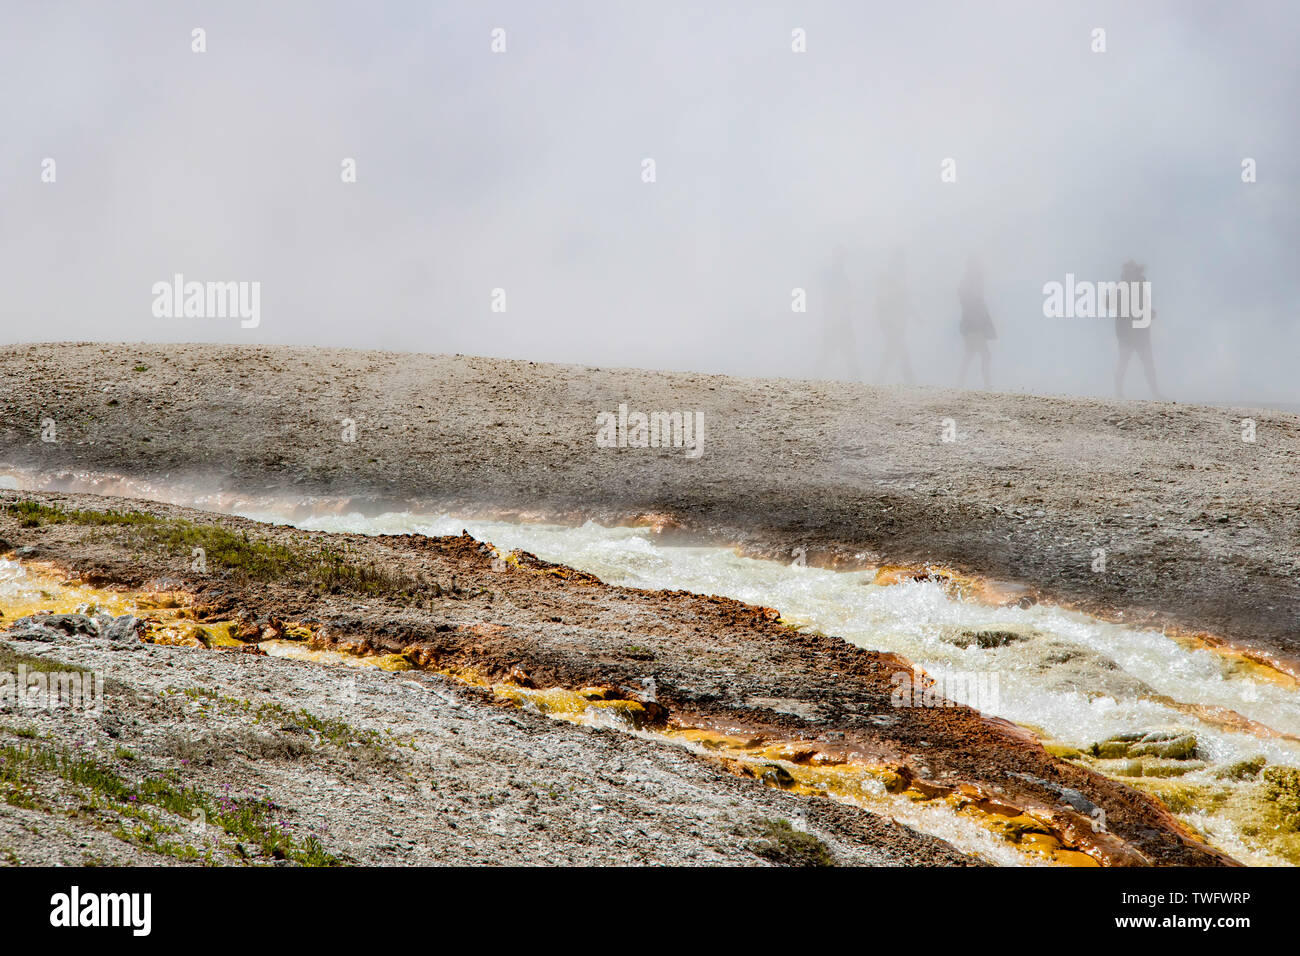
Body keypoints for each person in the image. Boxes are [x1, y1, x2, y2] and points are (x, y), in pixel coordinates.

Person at [1111, 260, 1163, 399]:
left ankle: (1155, 393)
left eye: (1130, 271)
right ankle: (1118, 393)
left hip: (1139, 333)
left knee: (1147, 365)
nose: (1128, 274)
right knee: (1125, 363)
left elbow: (1141, 307)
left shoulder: (1139, 287)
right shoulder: (1122, 288)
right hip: (1128, 333)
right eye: (1127, 271)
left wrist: (1149, 313)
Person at [814, 244, 862, 381]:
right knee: (831, 350)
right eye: (840, 256)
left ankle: (856, 378)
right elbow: (831, 295)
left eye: (843, 256)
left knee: (844, 349)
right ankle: (856, 378)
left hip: (841, 317)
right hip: (834, 318)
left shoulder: (840, 276)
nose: (842, 259)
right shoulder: (831, 275)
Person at [874, 247, 917, 385]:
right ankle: (910, 381)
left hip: (897, 321)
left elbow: (905, 301)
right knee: (900, 350)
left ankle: (880, 379)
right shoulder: (889, 278)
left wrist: (915, 315)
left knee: (892, 351)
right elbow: (882, 300)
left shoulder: (898, 279)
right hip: (891, 322)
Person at [958, 255, 995, 388]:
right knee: (984, 355)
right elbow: (972, 302)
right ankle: (987, 386)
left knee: (970, 354)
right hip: (973, 324)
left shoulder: (968, 281)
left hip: (972, 324)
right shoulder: (970, 282)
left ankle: (960, 383)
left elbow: (971, 301)